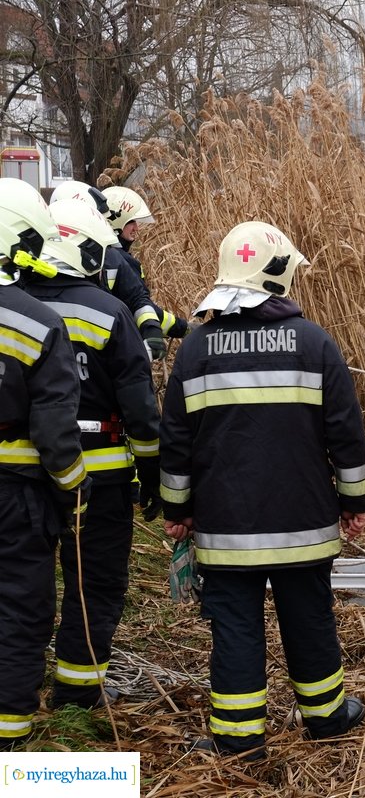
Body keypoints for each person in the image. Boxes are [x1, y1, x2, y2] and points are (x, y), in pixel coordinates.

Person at [160, 221, 365, 760]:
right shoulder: (316, 343)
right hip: (304, 524)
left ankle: (238, 738)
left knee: (234, 626)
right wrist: (355, 503)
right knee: (309, 617)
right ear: (276, 276)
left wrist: (177, 511)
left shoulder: (196, 351)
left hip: (226, 529)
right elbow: (346, 433)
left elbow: (176, 445)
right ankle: (327, 718)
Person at [23, 198, 160, 710]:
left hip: (24, 473)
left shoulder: (11, 307)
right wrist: (152, 470)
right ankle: (77, 693)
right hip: (99, 474)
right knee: (94, 582)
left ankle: (20, 680)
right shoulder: (109, 312)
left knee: (25, 579)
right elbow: (141, 411)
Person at [0, 179, 89, 748]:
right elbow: (55, 432)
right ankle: (8, 735)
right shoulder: (36, 323)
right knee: (19, 610)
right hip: (16, 497)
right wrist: (75, 489)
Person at [49, 181, 174, 361]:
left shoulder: (112, 257)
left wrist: (152, 327)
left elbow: (136, 297)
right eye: (131, 221)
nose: (137, 228)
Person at [101, 186, 190, 345]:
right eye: (131, 222)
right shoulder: (123, 262)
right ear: (115, 221)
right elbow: (140, 305)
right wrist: (183, 328)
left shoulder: (99, 255)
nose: (137, 228)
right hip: (125, 342)